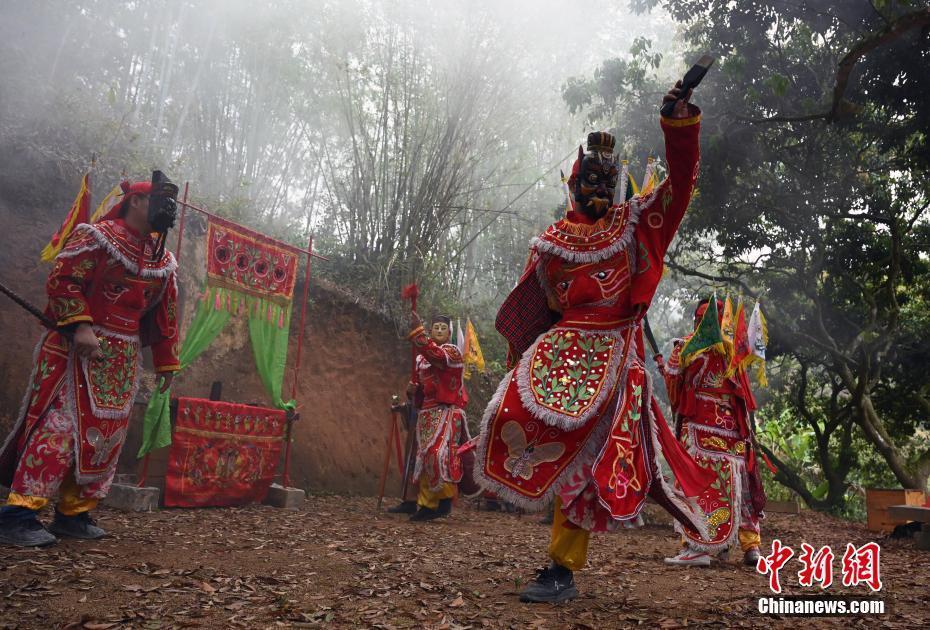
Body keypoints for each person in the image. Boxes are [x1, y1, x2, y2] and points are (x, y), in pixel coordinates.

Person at [474, 80, 714, 603]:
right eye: (591, 177)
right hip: (559, 353)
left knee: (587, 466)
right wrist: (518, 360)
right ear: (574, 181)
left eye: (610, 177)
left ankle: (561, 567)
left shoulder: (636, 225)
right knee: (508, 414)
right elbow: (533, 312)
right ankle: (513, 504)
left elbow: (679, 186)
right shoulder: (551, 242)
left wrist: (678, 124)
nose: (600, 187)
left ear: (620, 182)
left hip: (615, 354)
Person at [0, 178, 180, 547]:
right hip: (75, 350)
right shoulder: (95, 236)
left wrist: (165, 363)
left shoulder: (163, 259)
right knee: (60, 430)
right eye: (159, 201)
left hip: (122, 358)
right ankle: (20, 512)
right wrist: (80, 325)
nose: (167, 210)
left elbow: (165, 314)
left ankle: (73, 513)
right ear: (136, 200)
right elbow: (63, 279)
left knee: (105, 438)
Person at [657, 298, 765, 567]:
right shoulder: (735, 350)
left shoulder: (686, 347)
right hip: (735, 431)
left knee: (694, 484)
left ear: (698, 320)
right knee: (742, 488)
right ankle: (751, 546)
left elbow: (674, 384)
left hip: (700, 430)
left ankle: (695, 545)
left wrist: (663, 369)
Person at [405, 313, 468, 521]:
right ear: (431, 331)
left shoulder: (452, 352)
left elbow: (437, 357)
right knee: (424, 457)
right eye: (436, 327)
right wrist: (413, 392)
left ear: (449, 333)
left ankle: (444, 500)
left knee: (438, 453)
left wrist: (417, 332)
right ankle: (428, 504)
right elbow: (423, 388)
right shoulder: (421, 359)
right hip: (427, 412)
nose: (439, 330)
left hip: (448, 410)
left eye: (443, 328)